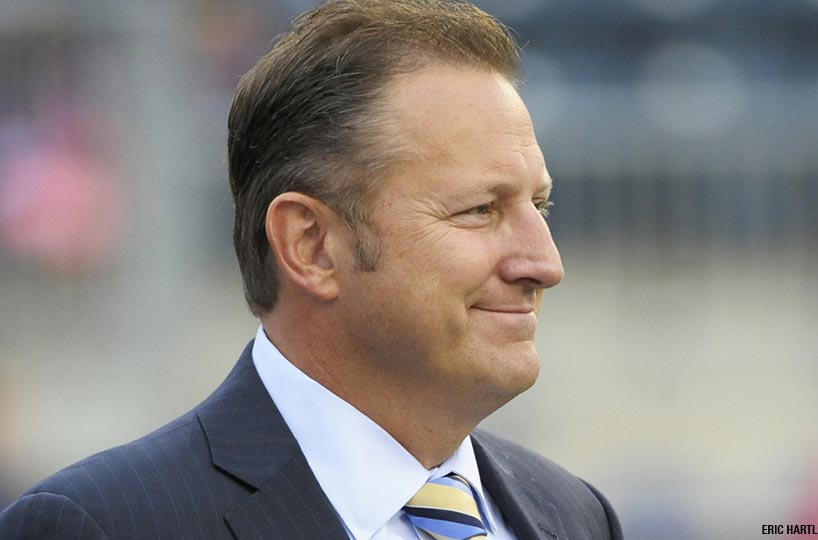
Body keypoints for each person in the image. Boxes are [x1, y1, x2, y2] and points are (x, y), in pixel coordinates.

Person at [0, 1, 623, 538]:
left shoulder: (575, 516)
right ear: (311, 245)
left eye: (538, 205)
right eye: (480, 210)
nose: (545, 264)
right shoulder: (105, 526)